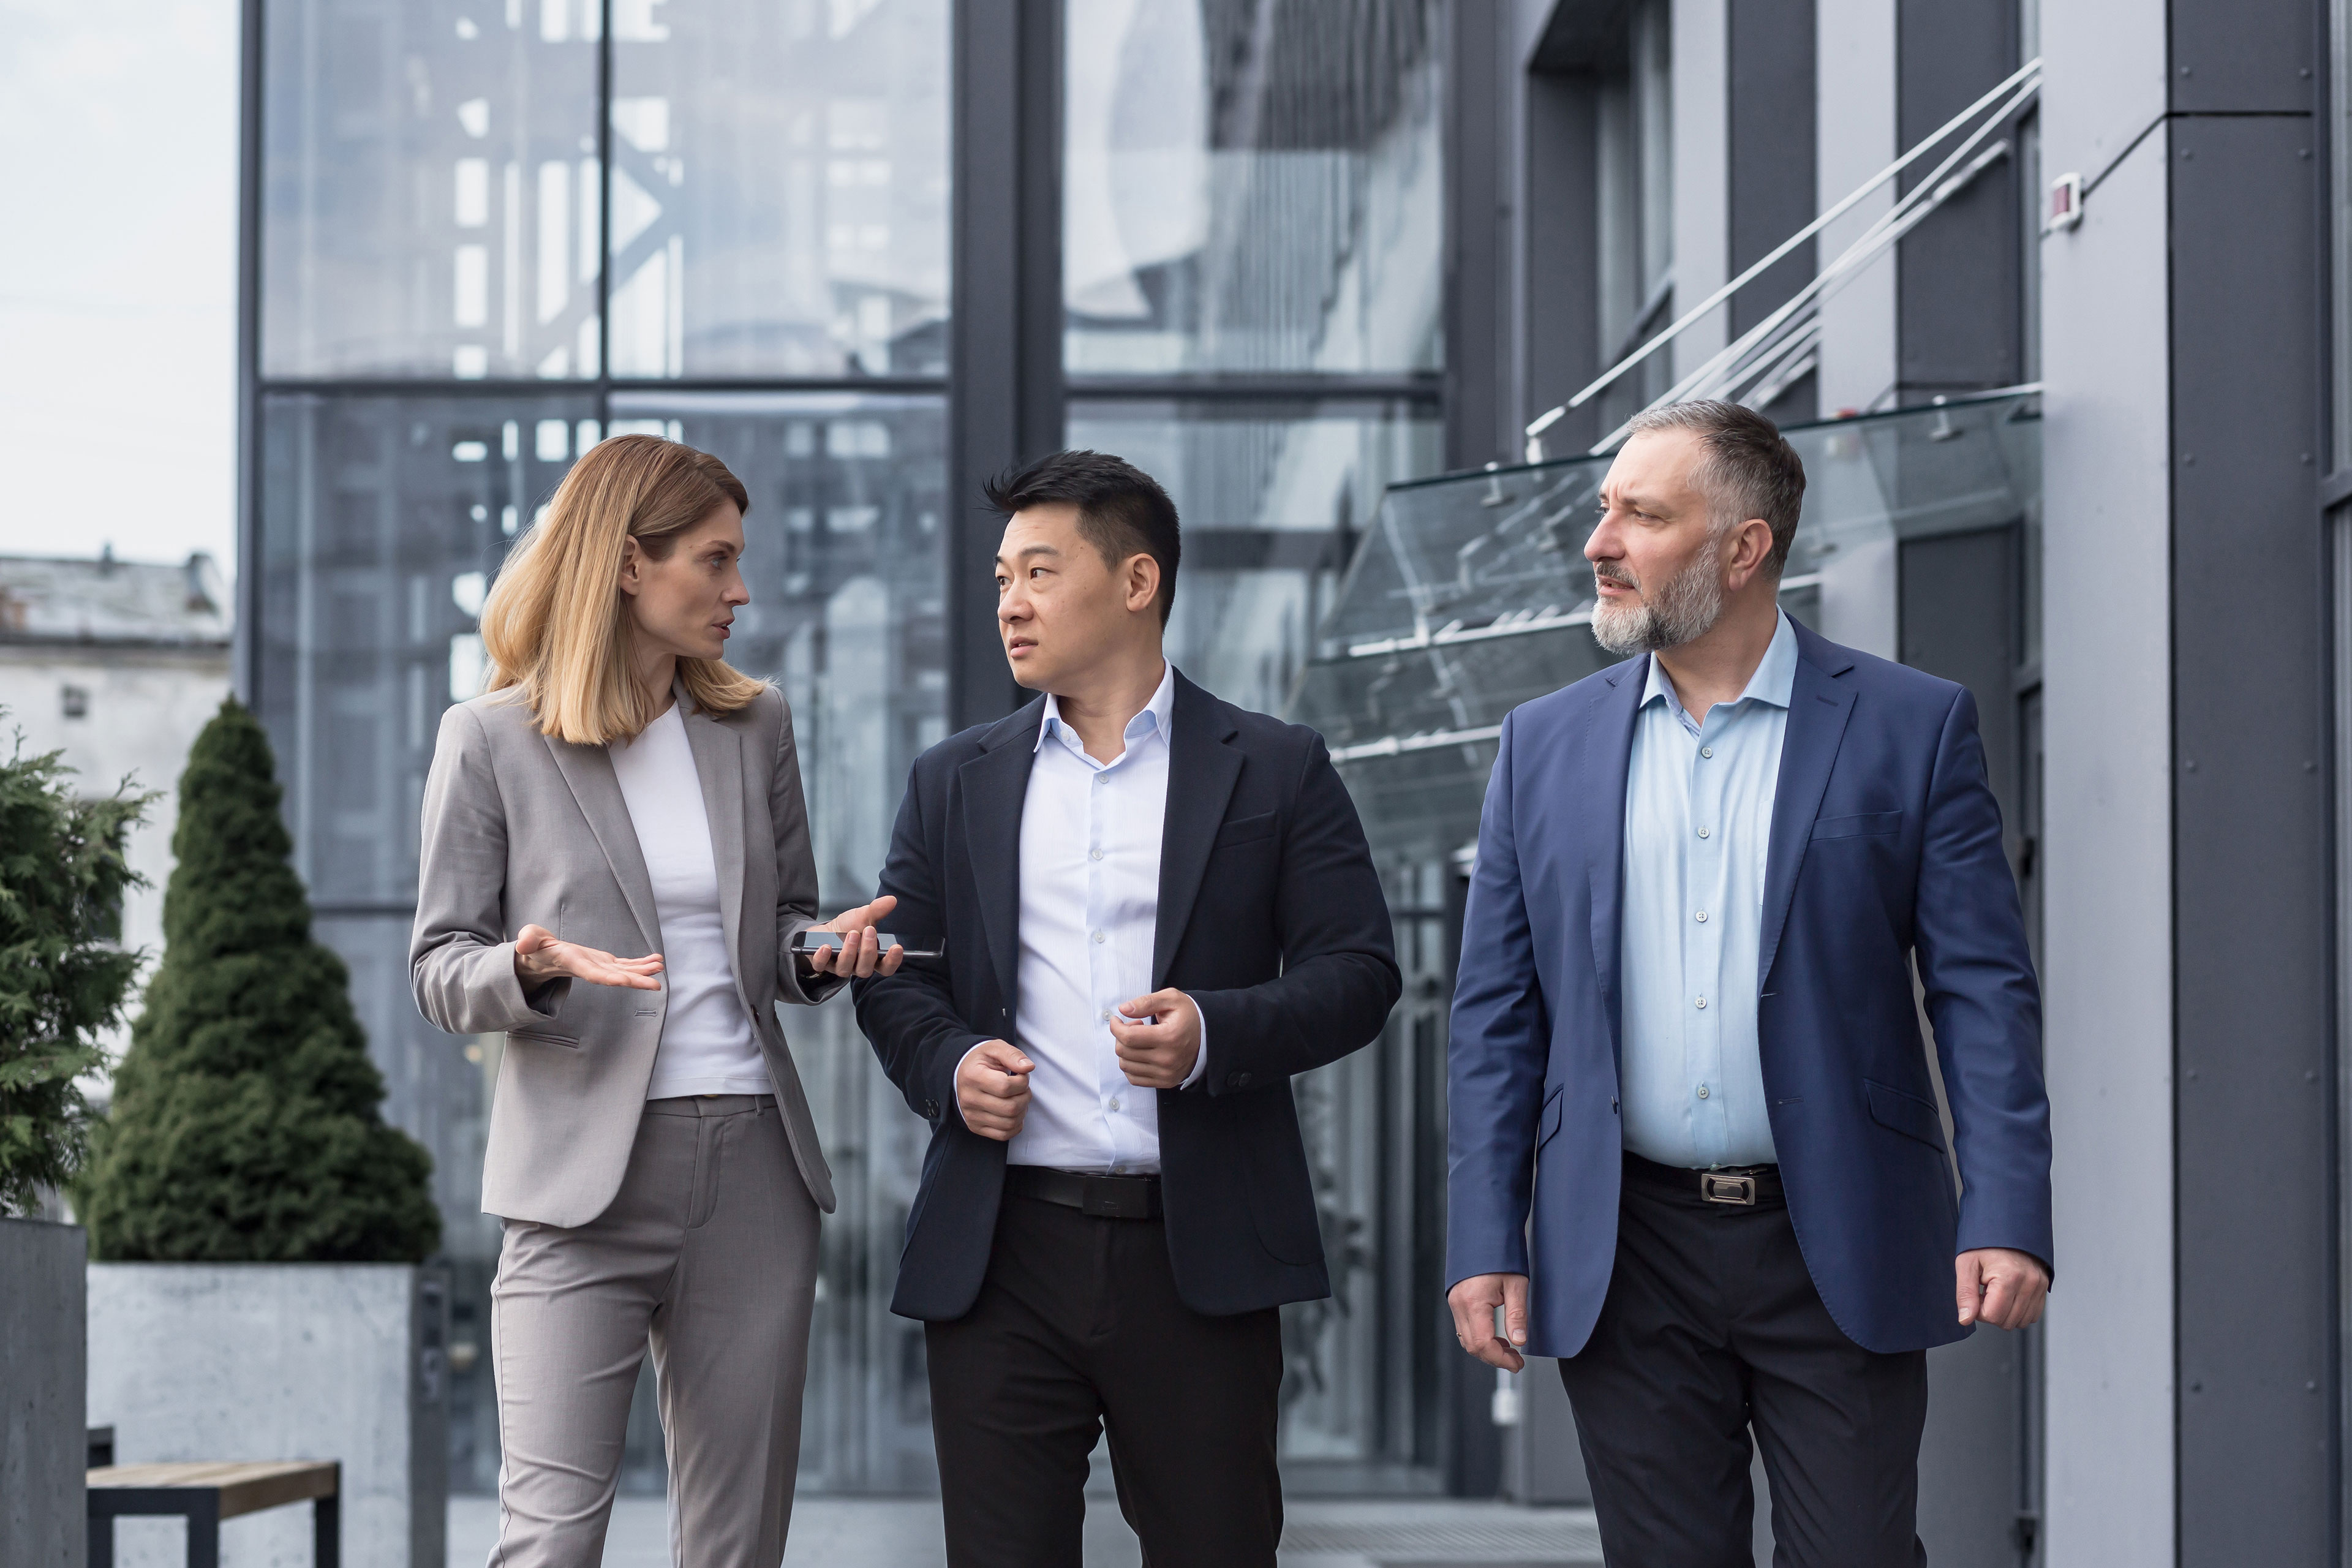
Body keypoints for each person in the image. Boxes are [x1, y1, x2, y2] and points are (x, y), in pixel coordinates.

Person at [1444, 401, 2052, 1566]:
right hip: (1628, 1246)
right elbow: (1495, 1019)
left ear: (1743, 547)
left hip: (1841, 1231)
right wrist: (1486, 1235)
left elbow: (1983, 988)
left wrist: (2009, 1206)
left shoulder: (1912, 728)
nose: (1600, 541)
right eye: (1606, 507)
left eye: (1642, 514)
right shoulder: (1542, 745)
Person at [851, 450, 1401, 1567]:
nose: (1010, 601)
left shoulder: (1279, 767)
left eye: (1041, 572)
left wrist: (1214, 1034)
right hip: (998, 1251)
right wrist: (950, 1065)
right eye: (1003, 576)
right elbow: (902, 973)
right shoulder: (953, 777)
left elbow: (1360, 972)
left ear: (1138, 581)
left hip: (1196, 1254)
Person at [410, 434, 901, 1566]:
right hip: (577, 1184)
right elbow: (440, 965)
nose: (741, 591)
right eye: (716, 561)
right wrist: (528, 967)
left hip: (754, 1169)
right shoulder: (489, 740)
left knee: (737, 1545)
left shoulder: (753, 724)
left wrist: (822, 954)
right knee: (548, 1545)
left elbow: (783, 928)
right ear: (631, 564)